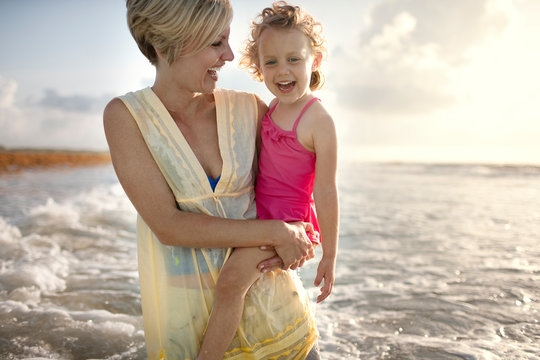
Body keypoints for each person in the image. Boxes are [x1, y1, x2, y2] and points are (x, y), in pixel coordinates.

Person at [103, 0, 321, 359]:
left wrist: (296, 235)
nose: (230, 55)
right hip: (191, 327)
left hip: (278, 316)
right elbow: (169, 226)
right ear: (165, 43)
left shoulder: (250, 109)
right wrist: (276, 233)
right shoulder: (126, 117)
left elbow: (296, 193)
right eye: (215, 43)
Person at [197, 2, 339, 359]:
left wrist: (330, 254)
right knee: (232, 282)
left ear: (315, 60)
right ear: (258, 66)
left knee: (231, 283)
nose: (283, 70)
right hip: (261, 220)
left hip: (289, 224)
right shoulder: (271, 107)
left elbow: (325, 191)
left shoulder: (318, 120)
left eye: (294, 59)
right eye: (271, 61)